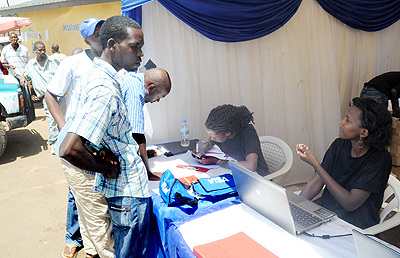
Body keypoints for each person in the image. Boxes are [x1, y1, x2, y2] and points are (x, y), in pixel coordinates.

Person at [59, 15, 150, 257]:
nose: (140, 54)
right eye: (135, 47)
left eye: (141, 47)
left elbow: (91, 135)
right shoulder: (104, 88)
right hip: (128, 192)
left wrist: (101, 152)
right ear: (112, 45)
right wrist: (106, 168)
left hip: (124, 191)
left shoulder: (102, 76)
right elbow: (69, 149)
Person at [45, 18, 105, 258]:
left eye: (103, 31)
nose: (101, 36)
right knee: (77, 192)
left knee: (90, 195)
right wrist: (63, 127)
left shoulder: (112, 61)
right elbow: (51, 94)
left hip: (101, 138)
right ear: (86, 39)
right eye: (96, 34)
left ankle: (90, 245)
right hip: (78, 138)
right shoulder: (74, 63)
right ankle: (73, 238)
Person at [296, 97, 393, 229]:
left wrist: (316, 165)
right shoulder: (339, 144)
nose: (341, 122)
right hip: (326, 213)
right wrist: (294, 206)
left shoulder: (380, 159)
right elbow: (316, 183)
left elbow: (350, 203)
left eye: (348, 120)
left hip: (354, 225)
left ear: (363, 132)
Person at [121, 68, 172, 180]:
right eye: (160, 96)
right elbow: (137, 136)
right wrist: (148, 174)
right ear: (152, 88)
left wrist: (141, 155)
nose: (158, 100)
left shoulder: (132, 80)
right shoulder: (135, 92)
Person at [195, 104, 269, 176]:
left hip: (257, 177)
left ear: (227, 133)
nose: (211, 138)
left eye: (213, 136)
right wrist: (205, 147)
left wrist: (218, 162)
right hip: (236, 171)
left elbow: (251, 166)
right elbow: (212, 140)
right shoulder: (224, 131)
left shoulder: (248, 133)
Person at [19, 41, 64, 154]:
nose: (42, 52)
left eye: (44, 49)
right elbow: (26, 74)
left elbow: (64, 73)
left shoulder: (54, 61)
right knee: (52, 119)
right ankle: (53, 142)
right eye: (40, 50)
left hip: (59, 95)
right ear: (34, 50)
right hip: (47, 97)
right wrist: (23, 77)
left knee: (63, 117)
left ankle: (64, 140)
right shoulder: (31, 65)